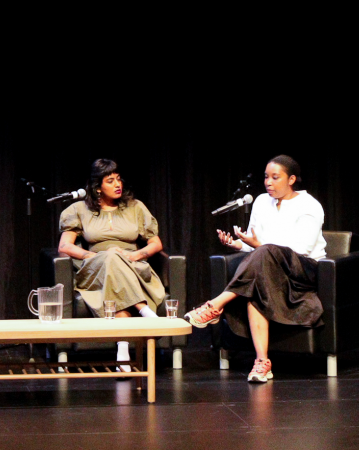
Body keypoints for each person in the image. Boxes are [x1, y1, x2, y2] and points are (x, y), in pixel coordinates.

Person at [184, 154, 327, 383]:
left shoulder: (309, 206)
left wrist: (258, 246)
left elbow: (301, 249)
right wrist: (237, 243)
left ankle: (216, 305)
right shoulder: (261, 201)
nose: (268, 182)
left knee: (264, 253)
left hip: (303, 269)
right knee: (256, 287)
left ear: (291, 179)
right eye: (266, 177)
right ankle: (262, 362)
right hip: (267, 265)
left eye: (275, 177)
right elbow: (255, 245)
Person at [57, 158, 165, 370]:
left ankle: (122, 352)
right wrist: (96, 257)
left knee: (115, 264)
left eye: (118, 179)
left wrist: (135, 255)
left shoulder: (135, 207)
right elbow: (65, 247)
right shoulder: (79, 209)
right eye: (110, 181)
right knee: (111, 257)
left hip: (133, 266)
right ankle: (144, 310)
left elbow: (156, 243)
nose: (118, 185)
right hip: (96, 268)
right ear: (97, 188)